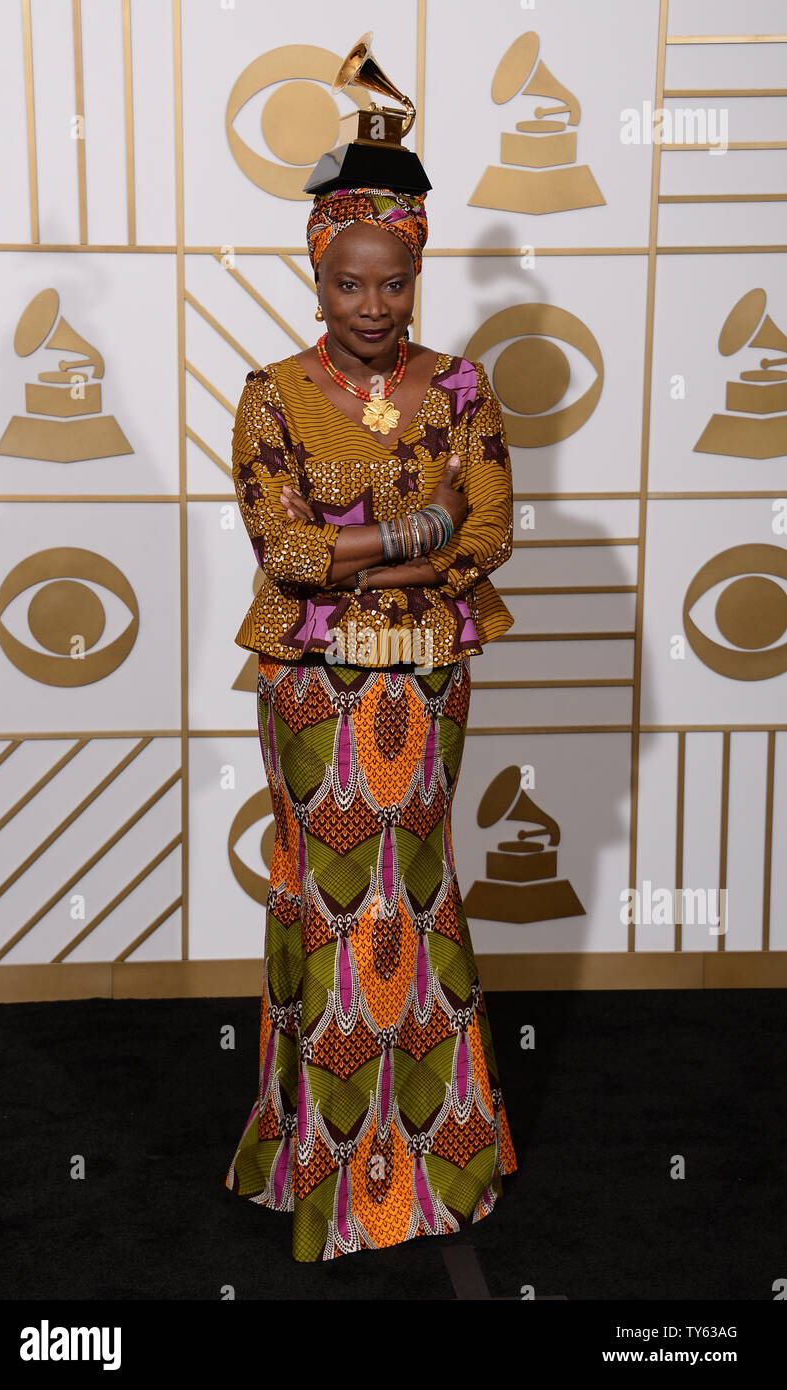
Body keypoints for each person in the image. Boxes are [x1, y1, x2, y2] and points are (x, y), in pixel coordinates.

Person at [224, 183, 518, 1263]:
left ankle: (440, 1152)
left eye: (391, 281)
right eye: (348, 282)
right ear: (315, 276)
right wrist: (415, 528)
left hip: (429, 675)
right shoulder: (272, 396)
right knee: (328, 898)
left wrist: (391, 546)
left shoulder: (461, 386)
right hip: (311, 683)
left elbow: (486, 530)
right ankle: (316, 1156)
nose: (371, 302)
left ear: (415, 278)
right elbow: (283, 550)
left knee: (417, 891)